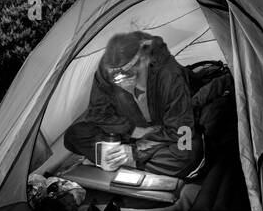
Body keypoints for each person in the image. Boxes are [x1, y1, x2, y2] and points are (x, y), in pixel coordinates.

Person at [63, 31, 201, 179]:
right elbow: (98, 114)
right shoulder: (106, 70)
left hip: (164, 132)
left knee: (187, 152)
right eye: (114, 77)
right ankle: (122, 160)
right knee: (74, 135)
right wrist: (133, 132)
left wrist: (135, 153)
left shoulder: (169, 76)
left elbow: (182, 131)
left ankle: (123, 161)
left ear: (142, 60)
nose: (120, 82)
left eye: (125, 74)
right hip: (130, 132)